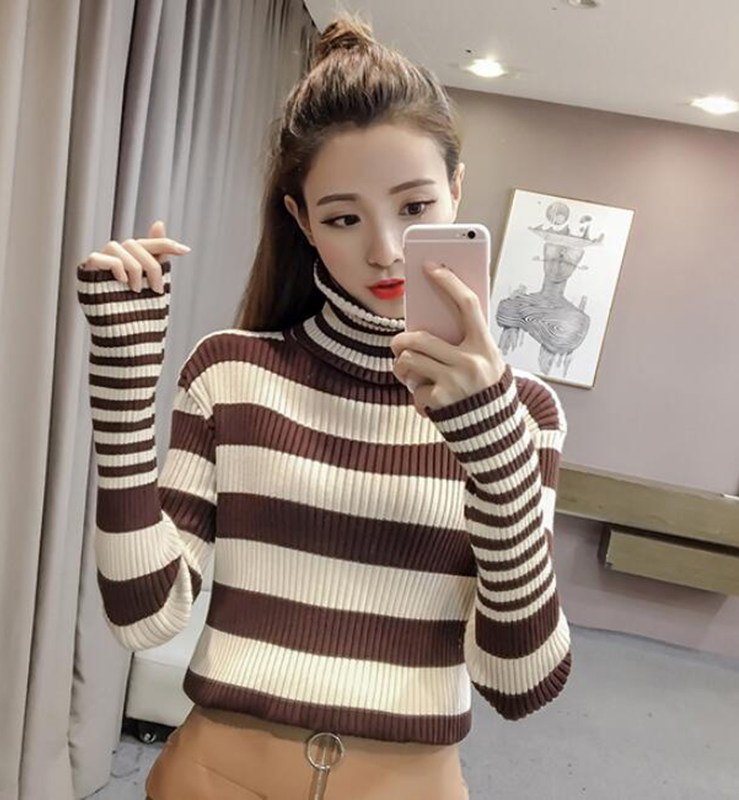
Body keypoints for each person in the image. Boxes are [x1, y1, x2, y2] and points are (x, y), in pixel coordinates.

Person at [76, 11, 572, 800]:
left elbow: (521, 682)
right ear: (302, 222)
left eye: (414, 207)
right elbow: (144, 617)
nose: (384, 249)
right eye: (344, 217)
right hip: (214, 777)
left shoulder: (527, 415)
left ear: (455, 189)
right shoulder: (230, 373)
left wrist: (495, 453)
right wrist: (124, 390)